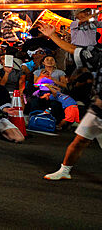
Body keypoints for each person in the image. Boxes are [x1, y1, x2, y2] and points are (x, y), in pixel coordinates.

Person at [39, 23, 102, 180]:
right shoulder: (99, 53)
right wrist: (53, 35)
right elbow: (75, 50)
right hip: (98, 109)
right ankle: (64, 171)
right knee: (80, 140)